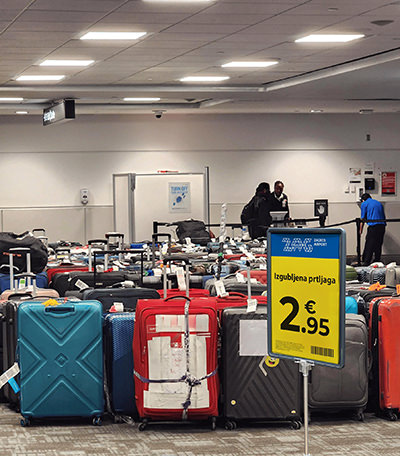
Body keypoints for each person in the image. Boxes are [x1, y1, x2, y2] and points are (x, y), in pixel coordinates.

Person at [359, 193, 386, 265]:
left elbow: (363, 219)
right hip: (382, 226)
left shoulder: (364, 204)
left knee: (369, 244)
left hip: (373, 226)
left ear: (363, 200)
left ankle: (366, 262)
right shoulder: (378, 203)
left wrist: (360, 231)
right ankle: (377, 261)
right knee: (378, 244)